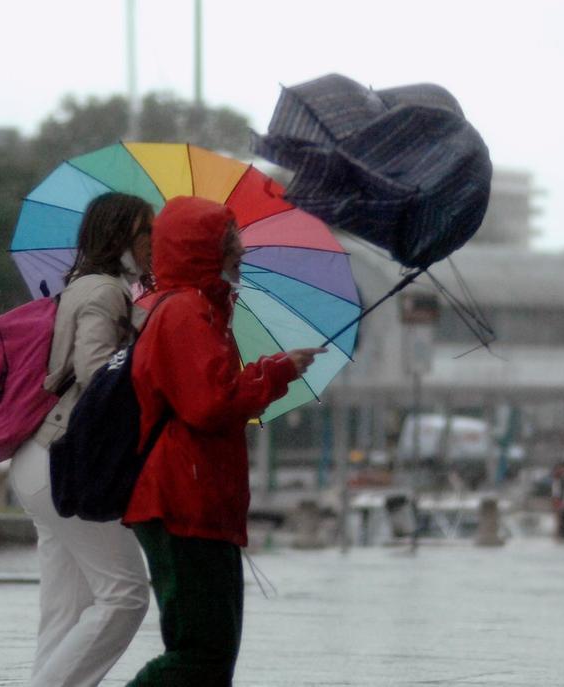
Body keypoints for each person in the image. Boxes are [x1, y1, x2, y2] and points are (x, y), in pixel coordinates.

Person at [123, 196, 325, 686]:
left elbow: (210, 393)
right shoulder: (185, 313)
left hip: (201, 502)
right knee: (201, 654)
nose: (241, 250)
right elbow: (209, 403)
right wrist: (274, 373)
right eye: (230, 239)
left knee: (211, 657)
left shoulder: (205, 312)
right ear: (202, 248)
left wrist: (272, 371)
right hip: (181, 502)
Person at [8, 192, 153, 687]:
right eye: (144, 233)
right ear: (119, 239)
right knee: (125, 594)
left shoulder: (91, 286)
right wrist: (146, 344)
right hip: (63, 461)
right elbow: (96, 370)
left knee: (65, 611)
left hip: (40, 459)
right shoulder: (104, 291)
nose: (153, 241)